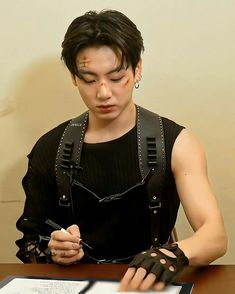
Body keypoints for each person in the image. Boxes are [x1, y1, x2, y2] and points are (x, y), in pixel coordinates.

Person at [16, 9, 227, 292]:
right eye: (90, 80)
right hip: (77, 286)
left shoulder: (176, 142)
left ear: (137, 69)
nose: (103, 92)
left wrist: (172, 255)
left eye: (117, 77)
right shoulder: (49, 148)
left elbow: (215, 236)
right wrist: (54, 249)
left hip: (149, 286)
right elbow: (32, 241)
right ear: (73, 77)